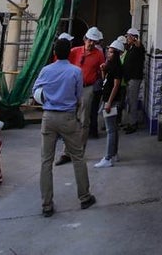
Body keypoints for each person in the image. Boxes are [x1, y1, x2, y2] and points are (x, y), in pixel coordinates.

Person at [31, 38, 97, 216]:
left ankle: (46, 205)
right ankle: (84, 197)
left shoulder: (46, 70)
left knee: (46, 161)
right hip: (68, 117)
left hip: (48, 117)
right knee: (78, 157)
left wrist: (49, 98)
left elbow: (35, 91)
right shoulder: (75, 72)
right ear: (69, 52)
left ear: (54, 53)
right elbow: (78, 96)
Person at [56, 26, 105, 165]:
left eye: (94, 42)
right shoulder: (74, 52)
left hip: (87, 88)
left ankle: (79, 152)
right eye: (89, 41)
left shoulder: (98, 54)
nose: (91, 44)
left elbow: (102, 71)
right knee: (69, 120)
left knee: (84, 121)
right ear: (85, 39)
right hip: (72, 88)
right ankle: (66, 153)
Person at [94, 38, 126, 168]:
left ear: (117, 54)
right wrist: (103, 71)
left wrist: (109, 102)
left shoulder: (117, 67)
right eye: (109, 51)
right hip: (108, 99)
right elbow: (106, 82)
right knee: (113, 129)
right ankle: (113, 154)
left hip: (111, 101)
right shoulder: (110, 66)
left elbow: (116, 85)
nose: (108, 53)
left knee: (110, 130)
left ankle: (108, 157)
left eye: (111, 52)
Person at [121, 27, 144, 133]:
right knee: (130, 101)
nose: (127, 38)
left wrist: (135, 40)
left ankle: (133, 123)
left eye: (128, 37)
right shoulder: (130, 48)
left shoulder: (138, 47)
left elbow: (139, 46)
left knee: (133, 101)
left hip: (134, 78)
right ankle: (131, 121)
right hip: (129, 79)